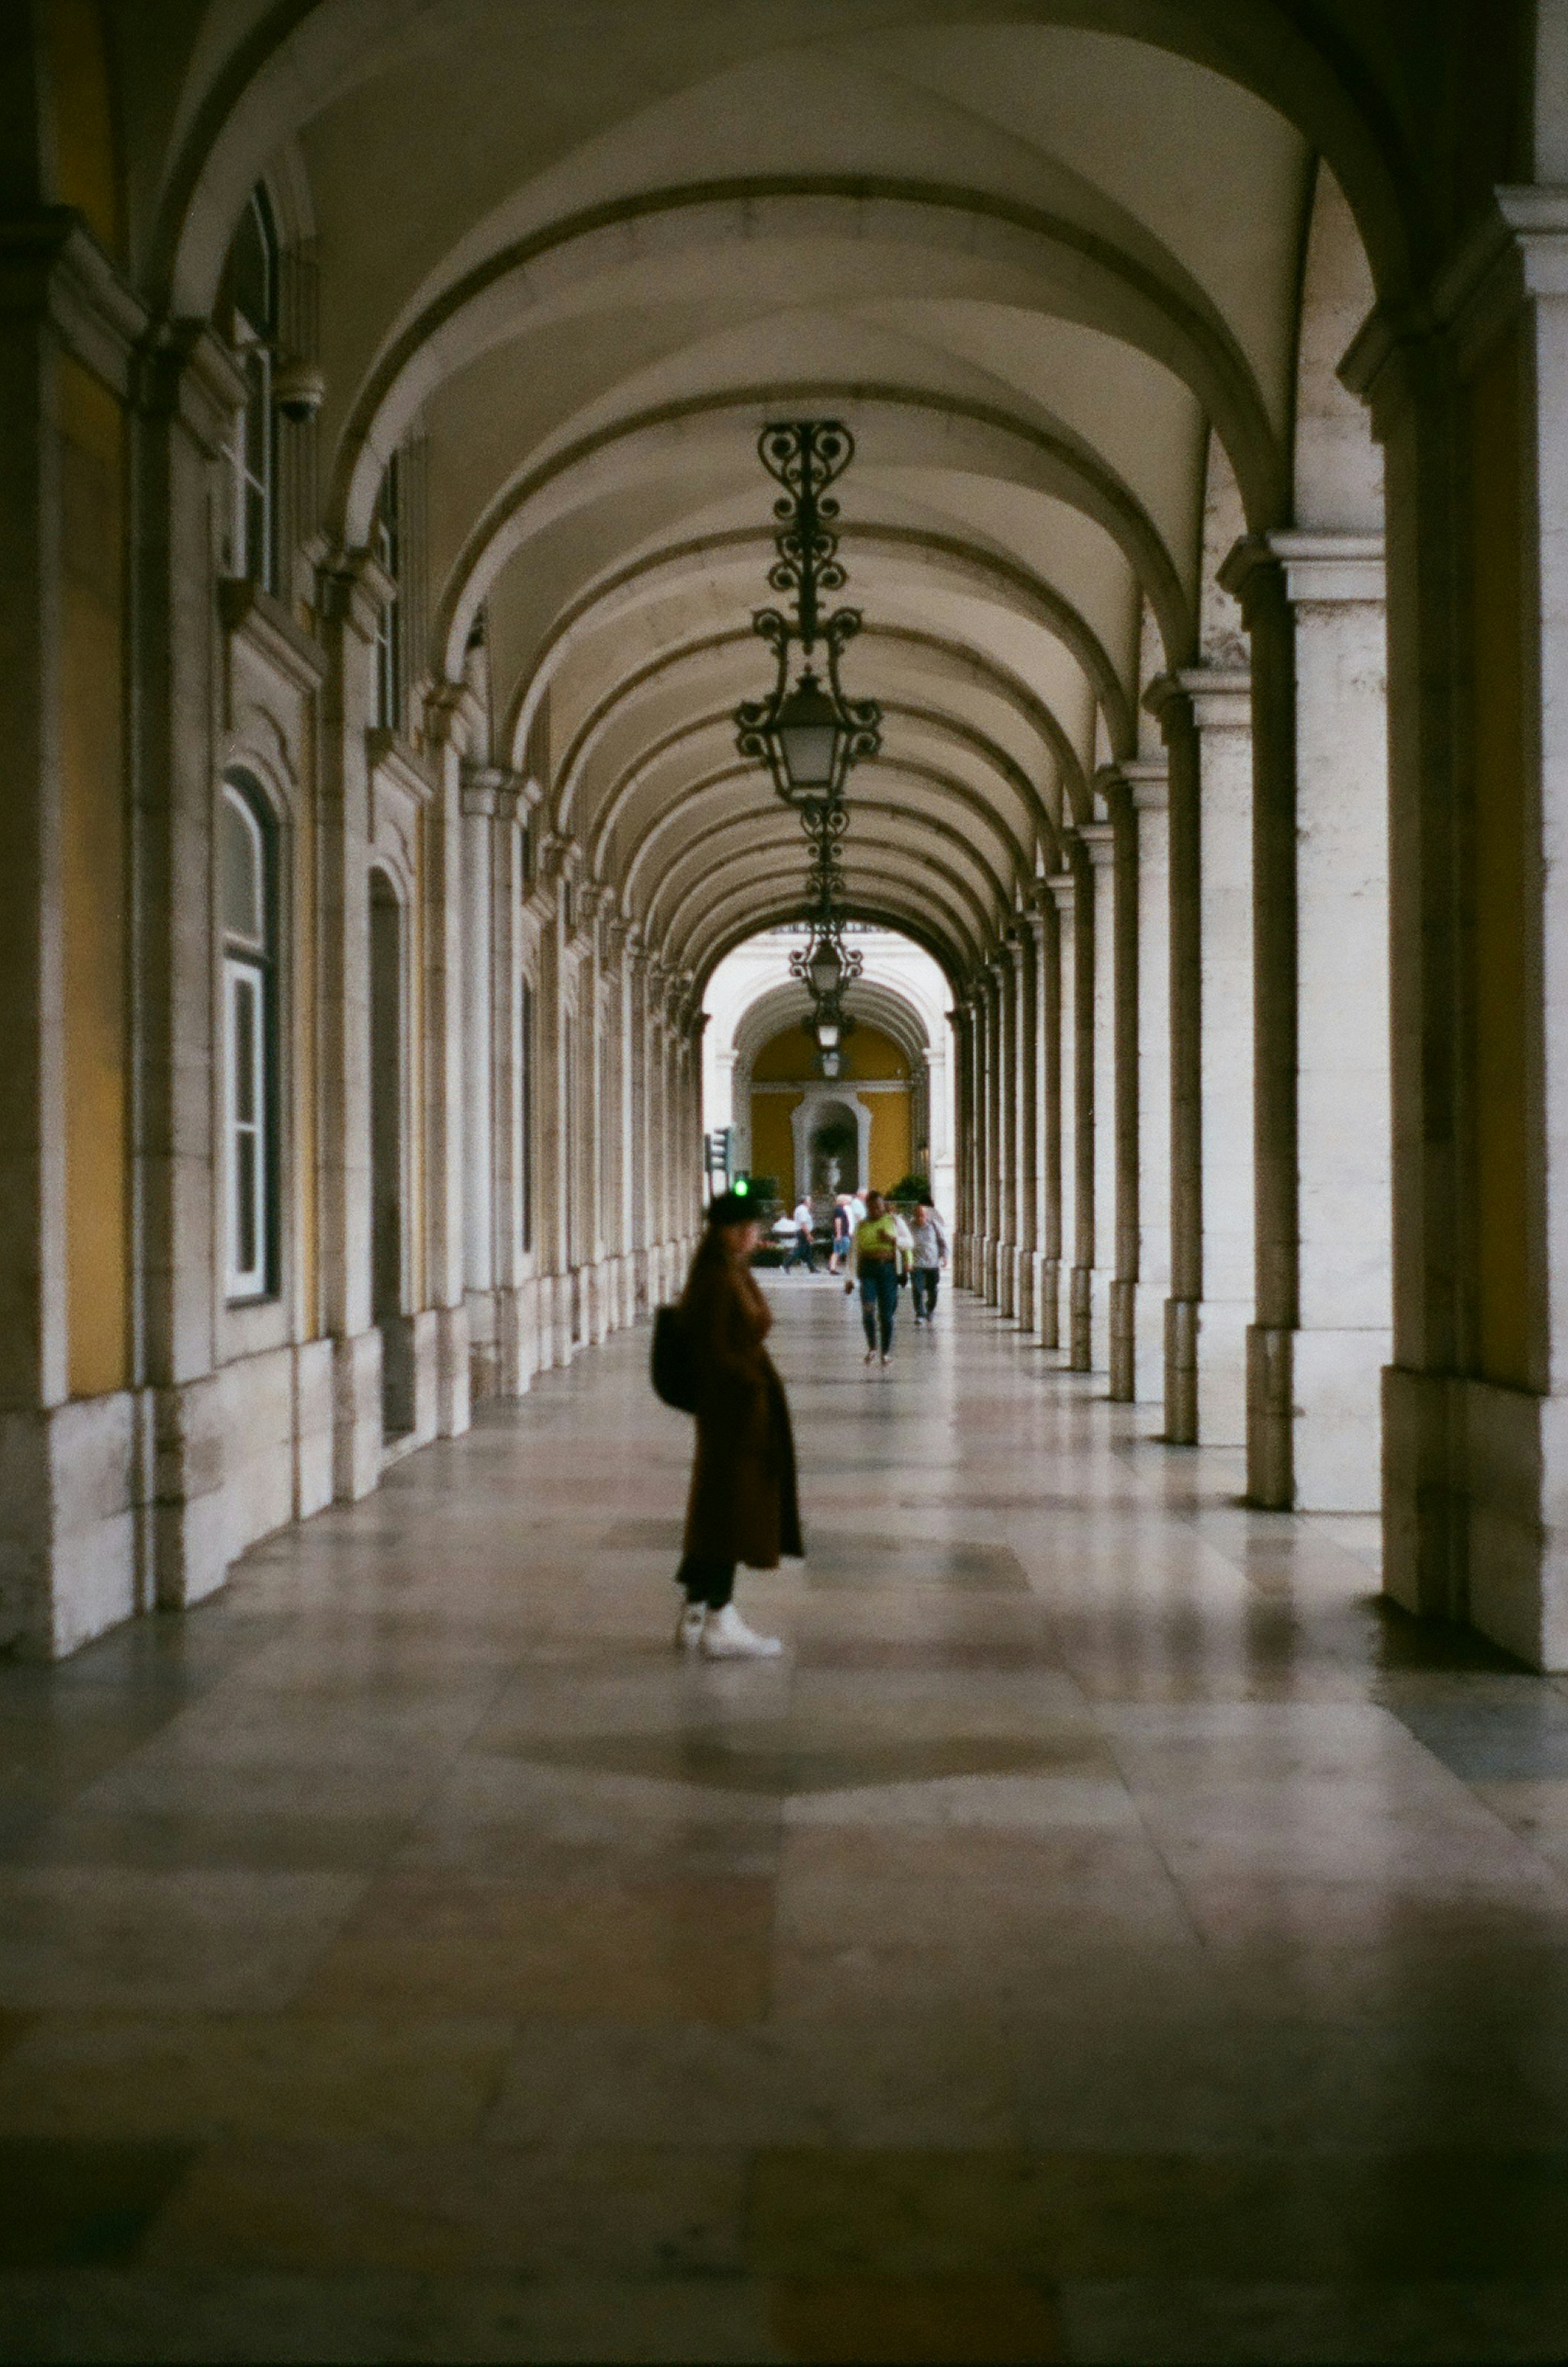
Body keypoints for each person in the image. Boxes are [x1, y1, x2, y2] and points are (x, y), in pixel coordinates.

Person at [673, 1188, 801, 1656]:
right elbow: (711, 1351)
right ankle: (719, 1622)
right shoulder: (717, 1279)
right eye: (742, 1227)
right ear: (723, 1232)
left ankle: (696, 1607)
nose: (752, 1234)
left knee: (717, 1507)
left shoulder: (728, 1271)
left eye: (754, 1226)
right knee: (730, 1511)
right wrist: (748, 1390)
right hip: (734, 1414)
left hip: (734, 1411)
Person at [846, 1188, 903, 1365]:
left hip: (887, 1270)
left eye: (879, 1208)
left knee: (886, 1315)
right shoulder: (861, 1225)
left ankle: (886, 1352)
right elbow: (854, 1253)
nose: (876, 1211)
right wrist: (849, 1278)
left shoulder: (893, 1221)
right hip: (868, 1270)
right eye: (871, 1208)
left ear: (883, 1206)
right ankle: (872, 1347)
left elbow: (910, 1242)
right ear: (867, 1208)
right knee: (868, 1309)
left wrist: (892, 1239)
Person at [909, 1201, 949, 1324]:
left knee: (933, 1289)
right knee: (917, 1289)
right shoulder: (910, 1226)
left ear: (926, 1215)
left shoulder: (934, 1225)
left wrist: (945, 1257)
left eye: (922, 1215)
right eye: (918, 1215)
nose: (920, 1218)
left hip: (932, 1263)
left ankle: (930, 1309)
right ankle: (920, 1313)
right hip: (917, 1263)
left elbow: (942, 1241)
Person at [784, 1195, 816, 1273]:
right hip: (803, 1232)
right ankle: (786, 1265)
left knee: (807, 1251)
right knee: (800, 1250)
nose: (811, 1203)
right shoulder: (802, 1210)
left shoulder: (802, 1209)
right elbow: (803, 1223)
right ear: (805, 1202)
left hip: (803, 1231)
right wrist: (808, 1234)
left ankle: (812, 1268)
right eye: (810, 1201)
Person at [828, 1195, 852, 1274]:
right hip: (842, 1234)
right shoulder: (839, 1210)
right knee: (849, 1251)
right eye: (845, 1200)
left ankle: (832, 1267)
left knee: (836, 1251)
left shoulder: (839, 1209)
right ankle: (852, 1267)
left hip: (841, 1234)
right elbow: (838, 1221)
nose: (847, 1202)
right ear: (841, 1201)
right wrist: (839, 1234)